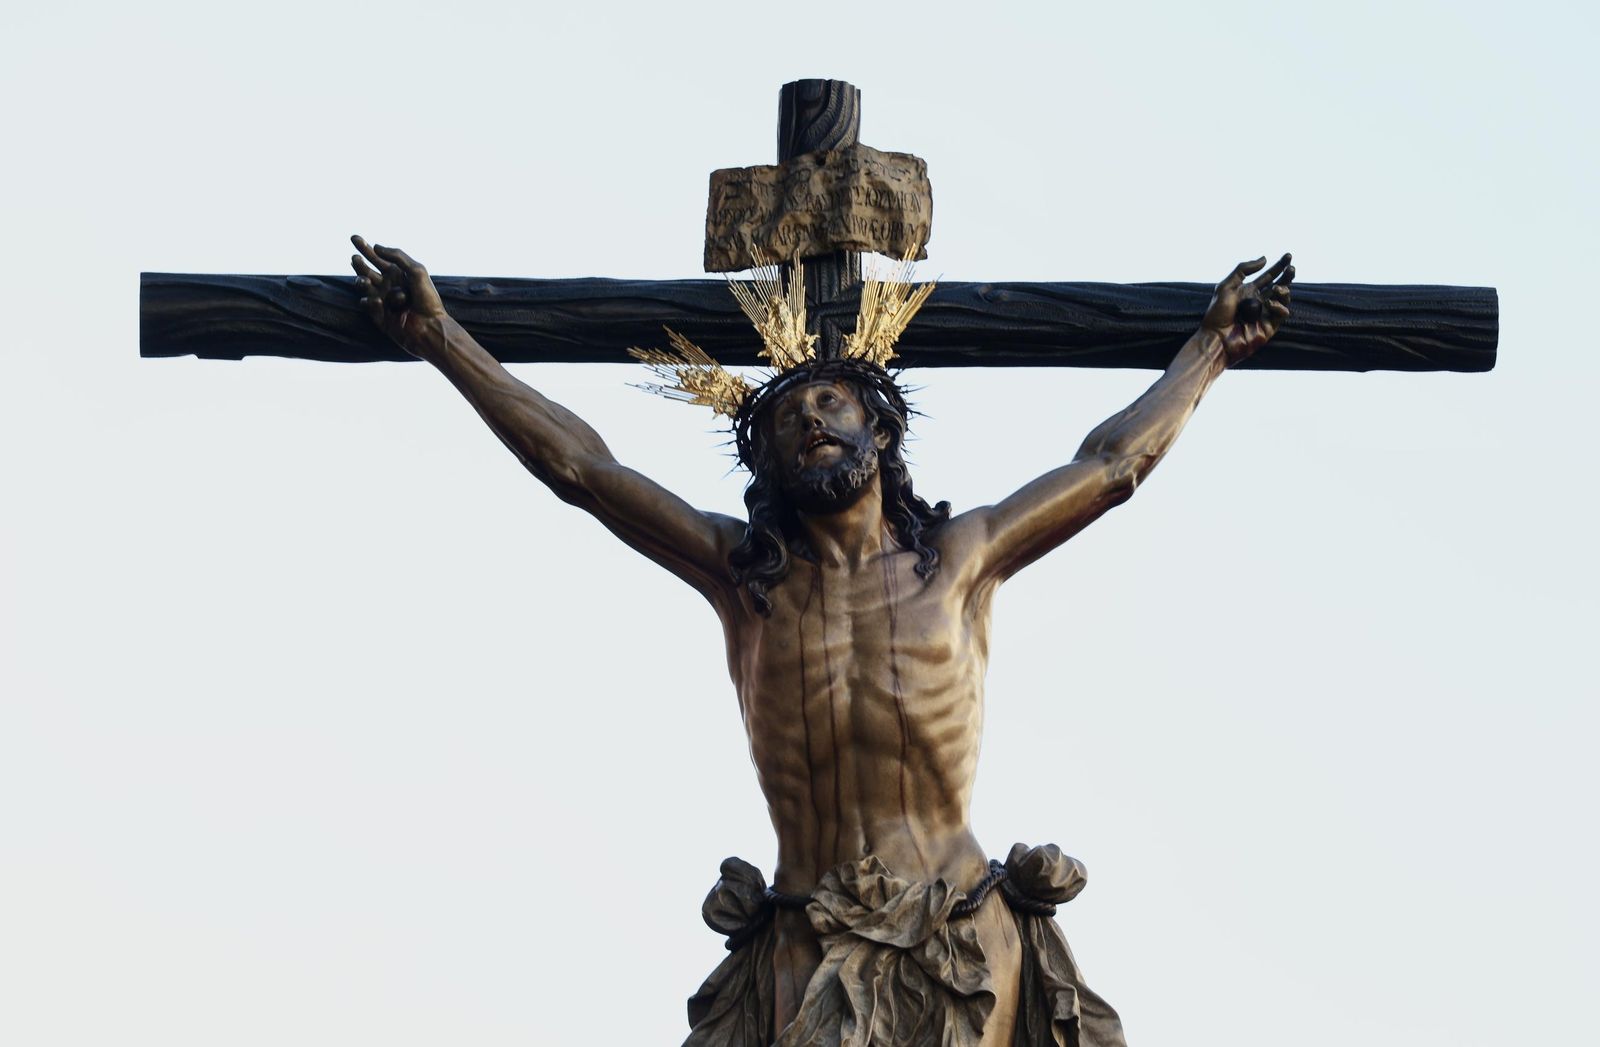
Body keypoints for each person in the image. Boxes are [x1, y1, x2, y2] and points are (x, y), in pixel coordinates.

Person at [350, 236, 1293, 1046]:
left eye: (833, 404)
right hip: (805, 944)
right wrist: (441, 338)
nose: (808, 419)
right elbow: (583, 468)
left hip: (960, 929)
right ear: (761, 463)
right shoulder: (743, 576)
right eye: (784, 420)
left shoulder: (958, 561)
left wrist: (1209, 347)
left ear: (879, 431)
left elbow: (1112, 465)